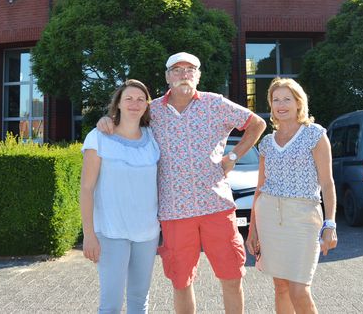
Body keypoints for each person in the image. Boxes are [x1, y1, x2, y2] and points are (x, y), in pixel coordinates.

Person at [98, 52, 266, 314]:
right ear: (167, 77)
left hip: (217, 207)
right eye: (177, 70)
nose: (184, 74)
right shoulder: (151, 111)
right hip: (175, 212)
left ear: (198, 76)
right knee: (181, 282)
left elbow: (257, 123)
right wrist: (107, 120)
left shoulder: (216, 103)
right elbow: (126, 121)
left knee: (232, 277)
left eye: (190, 69)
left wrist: (233, 156)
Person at [246, 78, 337, 314]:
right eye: (276, 100)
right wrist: (252, 229)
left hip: (303, 219)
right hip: (269, 219)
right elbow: (260, 187)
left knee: (299, 289)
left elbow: (327, 184)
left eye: (287, 99)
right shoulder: (266, 142)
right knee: (281, 288)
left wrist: (330, 224)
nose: (281, 104)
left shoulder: (315, 135)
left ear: (298, 103)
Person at [80, 79, 161, 314]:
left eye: (140, 99)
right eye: (129, 99)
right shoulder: (99, 137)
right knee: (111, 305)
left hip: (147, 233)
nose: (134, 104)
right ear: (118, 104)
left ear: (147, 105)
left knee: (139, 301)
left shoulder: (153, 138)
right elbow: (86, 189)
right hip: (111, 232)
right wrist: (89, 235)